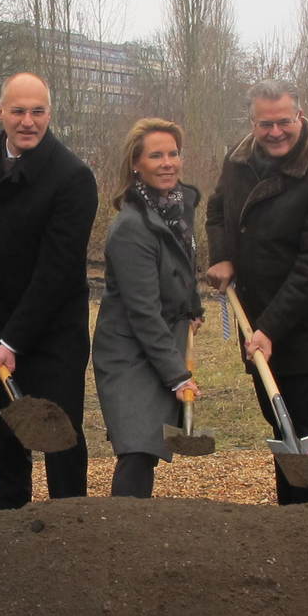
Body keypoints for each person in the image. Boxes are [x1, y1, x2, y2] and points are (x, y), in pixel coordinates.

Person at [0, 72, 97, 510]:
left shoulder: (73, 178)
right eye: (19, 111)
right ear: (1, 112)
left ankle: (70, 523)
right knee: (3, 429)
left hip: (53, 331)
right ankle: (8, 532)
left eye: (38, 111)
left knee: (58, 432)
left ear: (50, 113)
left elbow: (57, 272)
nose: (28, 121)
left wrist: (14, 341)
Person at [203, 81, 308, 505]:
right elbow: (217, 208)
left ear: (300, 118)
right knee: (281, 428)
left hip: (306, 331)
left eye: (283, 122)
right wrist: (223, 254)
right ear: (252, 123)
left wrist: (272, 326)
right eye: (264, 123)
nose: (274, 132)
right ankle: (291, 526)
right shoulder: (238, 160)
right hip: (257, 321)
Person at [94, 118, 203, 499]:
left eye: (173, 153)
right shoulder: (131, 227)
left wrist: (193, 305)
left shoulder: (177, 210)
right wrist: (178, 376)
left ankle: (134, 535)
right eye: (156, 155)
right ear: (136, 164)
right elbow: (142, 310)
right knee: (136, 447)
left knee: (148, 447)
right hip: (127, 352)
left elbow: (183, 265)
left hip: (159, 342)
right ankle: (124, 534)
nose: (168, 162)